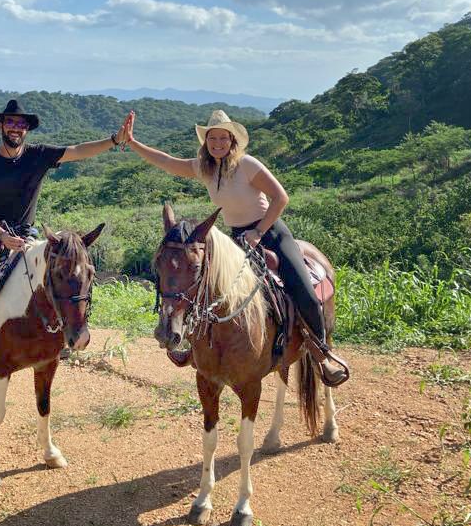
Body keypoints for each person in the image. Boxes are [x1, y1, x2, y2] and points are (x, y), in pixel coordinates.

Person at [119, 109, 348, 385]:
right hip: (237, 238)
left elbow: (281, 198)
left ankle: (321, 353)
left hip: (271, 232)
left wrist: (259, 231)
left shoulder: (247, 164)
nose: (217, 144)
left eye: (223, 138)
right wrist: (132, 142)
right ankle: (196, 348)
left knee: (304, 291)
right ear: (206, 142)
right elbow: (167, 162)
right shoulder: (204, 168)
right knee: (206, 288)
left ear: (232, 141)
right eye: (212, 138)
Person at [0, 99, 130, 362]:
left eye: (21, 124)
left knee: (55, 273)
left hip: (25, 233)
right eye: (10, 123)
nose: (16, 128)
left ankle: (58, 334)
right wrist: (1, 236)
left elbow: (77, 150)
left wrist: (114, 140)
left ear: (26, 129)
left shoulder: (38, 155)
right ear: (1, 127)